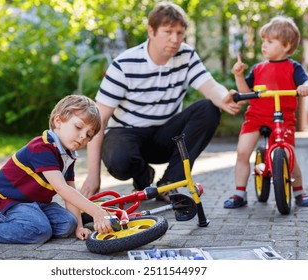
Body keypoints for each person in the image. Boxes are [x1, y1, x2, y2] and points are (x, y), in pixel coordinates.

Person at [80, 2, 242, 202]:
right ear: (151, 31)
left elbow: (210, 87)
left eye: (180, 33)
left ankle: (169, 183)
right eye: (168, 32)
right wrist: (92, 176)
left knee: (209, 109)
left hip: (165, 135)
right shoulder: (124, 64)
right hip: (127, 135)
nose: (175, 39)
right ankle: (143, 176)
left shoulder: (186, 55)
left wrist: (224, 98)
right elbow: (98, 120)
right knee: (121, 161)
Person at [0, 95, 113, 243]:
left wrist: (79, 227)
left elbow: (70, 195)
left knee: (68, 224)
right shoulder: (42, 146)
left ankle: (29, 225)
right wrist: (96, 212)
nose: (82, 137)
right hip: (8, 201)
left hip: (36, 202)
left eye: (88, 135)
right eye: (78, 127)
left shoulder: (68, 156)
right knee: (39, 231)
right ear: (58, 121)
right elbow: (62, 188)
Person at [224, 16, 308, 208]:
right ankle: (239, 193)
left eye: (269, 41)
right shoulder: (258, 68)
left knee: (290, 156)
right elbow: (245, 93)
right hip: (256, 116)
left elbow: (306, 82)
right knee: (242, 152)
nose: (264, 45)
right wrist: (238, 75)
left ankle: (299, 192)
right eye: (263, 40)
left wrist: (305, 87)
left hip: (283, 118)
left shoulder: (293, 67)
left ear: (286, 45)